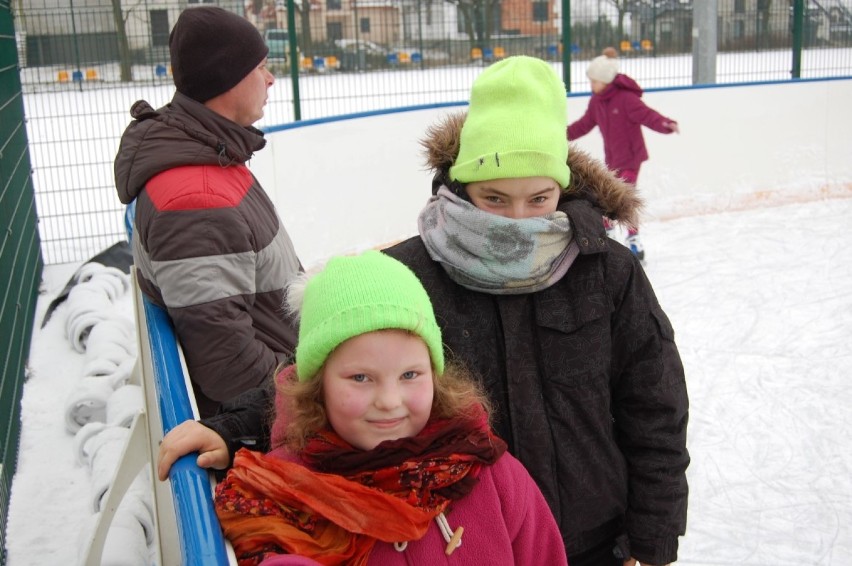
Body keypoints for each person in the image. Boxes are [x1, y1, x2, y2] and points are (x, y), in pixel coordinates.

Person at [160, 56, 690, 566]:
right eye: (495, 198)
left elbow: (655, 406)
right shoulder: (410, 272)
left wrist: (654, 537)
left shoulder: (607, 272)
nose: (518, 220)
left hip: (595, 538)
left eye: (539, 198)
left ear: (563, 188)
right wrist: (231, 428)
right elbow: (328, 373)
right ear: (461, 184)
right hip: (471, 537)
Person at [212, 250, 568, 565]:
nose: (389, 401)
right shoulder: (283, 494)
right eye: (361, 378)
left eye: (410, 374)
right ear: (318, 385)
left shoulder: (492, 475)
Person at [114, 6, 302, 418]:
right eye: (261, 67)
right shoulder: (196, 200)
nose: (271, 79)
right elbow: (230, 368)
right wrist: (314, 402)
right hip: (277, 417)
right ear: (227, 79)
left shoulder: (211, 156)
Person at [567, 46, 680, 261]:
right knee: (608, 196)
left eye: (594, 81)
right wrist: (561, 135)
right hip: (613, 160)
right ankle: (609, 233)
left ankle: (633, 240)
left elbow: (648, 116)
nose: (591, 85)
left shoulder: (626, 99)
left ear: (606, 80)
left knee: (620, 198)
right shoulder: (596, 102)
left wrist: (666, 124)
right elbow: (584, 125)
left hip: (630, 158)